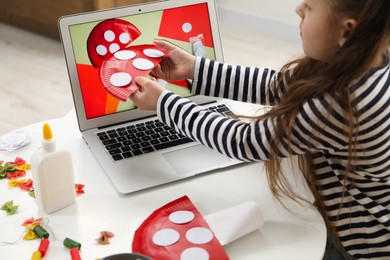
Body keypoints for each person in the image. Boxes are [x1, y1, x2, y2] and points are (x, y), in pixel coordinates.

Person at [130, 0, 390, 259]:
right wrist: (196, 69)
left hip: (361, 246)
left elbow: (243, 141)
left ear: (346, 32)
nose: (298, 9)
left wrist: (163, 103)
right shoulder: (369, 61)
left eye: (309, 7)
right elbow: (275, 85)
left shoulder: (343, 104)